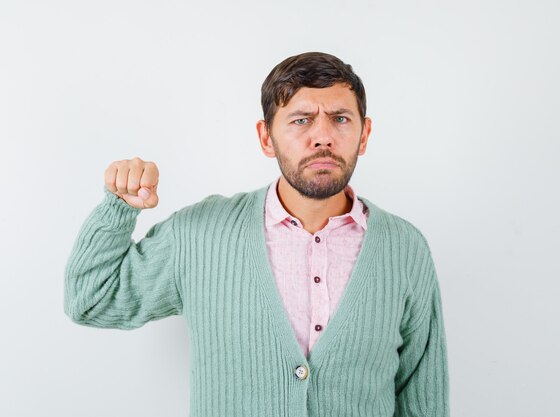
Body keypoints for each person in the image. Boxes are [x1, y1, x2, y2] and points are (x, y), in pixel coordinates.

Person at [64, 51, 450, 417]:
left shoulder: (404, 248)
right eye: (301, 120)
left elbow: (423, 399)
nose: (322, 137)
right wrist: (118, 208)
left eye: (340, 119)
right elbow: (90, 300)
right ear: (267, 138)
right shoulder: (200, 236)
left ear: (364, 135)